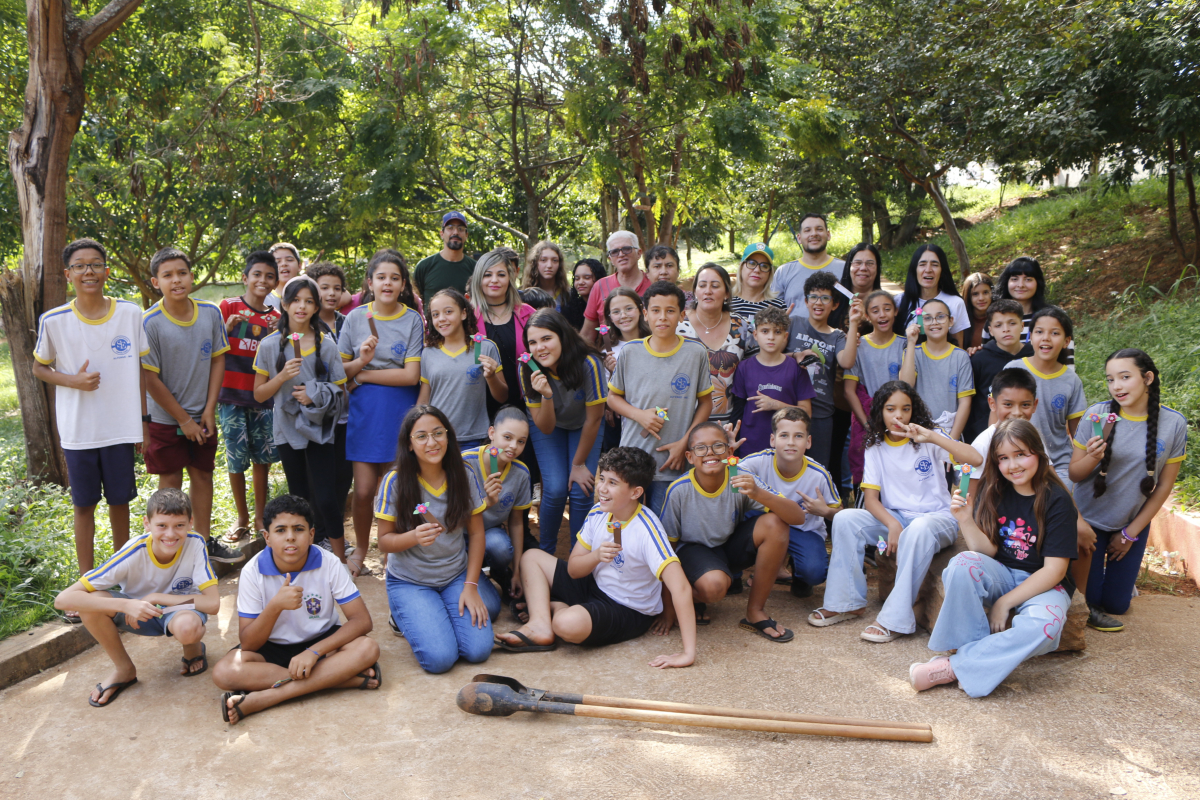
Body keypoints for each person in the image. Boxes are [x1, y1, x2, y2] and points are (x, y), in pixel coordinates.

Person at [912, 419, 1077, 696]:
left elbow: (1055, 571)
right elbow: (987, 551)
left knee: (1046, 627)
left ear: (1038, 453)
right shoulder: (996, 491)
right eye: (1003, 458)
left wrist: (1005, 603)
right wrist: (965, 519)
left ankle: (955, 666)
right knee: (961, 564)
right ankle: (970, 658)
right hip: (1002, 573)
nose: (1013, 465)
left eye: (1020, 454)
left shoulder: (1058, 500)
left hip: (1045, 585)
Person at [809, 381, 982, 642]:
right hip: (897, 517)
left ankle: (896, 619)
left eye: (905, 409)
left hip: (936, 519)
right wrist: (892, 524)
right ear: (881, 411)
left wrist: (931, 436)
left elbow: (976, 459)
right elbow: (871, 500)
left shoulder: (929, 436)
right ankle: (846, 602)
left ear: (914, 411)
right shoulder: (875, 445)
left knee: (919, 528)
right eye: (891, 409)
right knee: (845, 519)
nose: (899, 416)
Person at [495, 447, 698, 668]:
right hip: (594, 585)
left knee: (566, 624)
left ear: (635, 492)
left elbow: (681, 588)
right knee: (531, 557)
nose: (602, 488)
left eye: (613, 483)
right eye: (602, 478)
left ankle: (555, 608)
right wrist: (596, 556)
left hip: (627, 608)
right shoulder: (598, 512)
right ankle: (540, 624)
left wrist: (688, 653)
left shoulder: (647, 530)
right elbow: (574, 570)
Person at [33, 238, 147, 588]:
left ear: (106, 271)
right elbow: (39, 368)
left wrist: (142, 422)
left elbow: (141, 369)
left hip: (120, 427)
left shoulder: (130, 314)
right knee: (83, 505)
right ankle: (87, 583)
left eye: (96, 264)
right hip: (79, 431)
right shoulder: (54, 320)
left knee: (120, 502)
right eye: (80, 266)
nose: (89, 271)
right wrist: (73, 381)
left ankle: (121, 578)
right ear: (68, 274)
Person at [212, 494, 380, 724]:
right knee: (224, 672)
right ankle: (339, 679)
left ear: (311, 535)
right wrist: (275, 606)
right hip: (272, 648)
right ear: (267, 537)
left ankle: (268, 698)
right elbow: (249, 643)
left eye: (299, 529)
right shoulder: (252, 571)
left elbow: (362, 621)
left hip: (322, 643)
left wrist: (314, 652)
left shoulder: (329, 562)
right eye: (280, 530)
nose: (290, 537)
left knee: (367, 648)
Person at [54, 489, 218, 707]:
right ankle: (124, 670)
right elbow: (62, 600)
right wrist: (126, 604)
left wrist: (156, 597)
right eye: (162, 525)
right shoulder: (133, 551)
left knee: (188, 629)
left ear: (190, 523)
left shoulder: (195, 543)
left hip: (180, 610)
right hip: (137, 614)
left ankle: (193, 648)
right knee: (91, 603)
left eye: (179, 525)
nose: (170, 534)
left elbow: (213, 604)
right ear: (147, 524)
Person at [375, 406, 499, 673]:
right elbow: (383, 541)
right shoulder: (394, 481)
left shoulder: (464, 473)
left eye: (437, 433)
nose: (431, 442)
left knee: (479, 650)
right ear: (409, 444)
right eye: (421, 436)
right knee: (440, 659)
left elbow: (477, 533)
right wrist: (413, 537)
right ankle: (403, 613)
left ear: (448, 435)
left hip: (454, 575)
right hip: (410, 580)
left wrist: (470, 586)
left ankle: (441, 607)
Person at [1070, 349, 1187, 633]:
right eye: (1110, 379)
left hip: (1130, 522)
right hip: (1088, 522)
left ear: (1148, 378)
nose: (1117, 386)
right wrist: (1093, 458)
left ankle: (1116, 579)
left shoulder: (1174, 423)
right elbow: (1074, 474)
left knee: (1117, 605)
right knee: (1089, 601)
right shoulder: (1097, 415)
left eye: (1125, 377)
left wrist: (1130, 533)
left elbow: (1164, 485)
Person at [657, 422, 803, 640]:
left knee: (775, 523)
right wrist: (668, 605)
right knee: (714, 587)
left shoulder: (739, 477)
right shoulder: (679, 490)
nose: (710, 453)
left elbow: (797, 517)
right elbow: (668, 548)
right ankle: (689, 597)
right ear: (690, 457)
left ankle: (755, 611)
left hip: (727, 545)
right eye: (701, 448)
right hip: (693, 551)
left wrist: (758, 493)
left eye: (718, 446)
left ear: (729, 452)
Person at [141, 248, 241, 563]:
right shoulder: (149, 322)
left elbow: (218, 359)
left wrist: (209, 409)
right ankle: (167, 550)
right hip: (165, 419)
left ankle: (203, 542)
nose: (176, 280)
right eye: (167, 275)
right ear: (156, 282)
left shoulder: (210, 313)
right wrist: (183, 420)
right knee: (170, 483)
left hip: (203, 415)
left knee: (203, 475)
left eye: (182, 273)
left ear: (192, 276)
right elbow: (150, 378)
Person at [339, 249, 424, 576]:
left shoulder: (412, 319)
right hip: (364, 412)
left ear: (403, 284)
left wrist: (363, 375)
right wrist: (360, 361)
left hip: (401, 411)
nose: (387, 283)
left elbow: (411, 376)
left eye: (395, 278)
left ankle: (393, 551)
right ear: (370, 282)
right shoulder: (355, 318)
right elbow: (340, 371)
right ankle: (361, 549)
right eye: (381, 277)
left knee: (398, 488)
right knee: (362, 491)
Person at [253, 276, 349, 561]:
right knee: (299, 497)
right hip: (286, 430)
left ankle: (341, 565)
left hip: (319, 430)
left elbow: (341, 392)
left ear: (317, 307)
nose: (302, 307)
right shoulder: (269, 346)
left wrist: (314, 394)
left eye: (309, 301)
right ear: (284, 304)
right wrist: (282, 376)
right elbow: (259, 394)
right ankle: (305, 561)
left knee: (327, 498)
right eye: (295, 300)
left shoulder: (326, 345)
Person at [606, 281, 714, 515]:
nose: (662, 317)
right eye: (655, 310)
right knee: (628, 522)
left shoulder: (695, 353)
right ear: (645, 314)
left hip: (672, 460)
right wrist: (640, 416)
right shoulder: (630, 351)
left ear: (682, 315)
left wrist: (685, 443)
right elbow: (612, 398)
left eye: (670, 310)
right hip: (633, 459)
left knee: (664, 525)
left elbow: (706, 403)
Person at [521, 309, 608, 552]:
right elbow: (545, 427)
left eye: (546, 338)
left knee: (582, 489)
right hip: (549, 424)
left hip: (585, 423)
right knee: (556, 488)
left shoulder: (588, 363)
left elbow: (595, 418)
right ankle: (546, 553)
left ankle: (579, 556)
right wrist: (546, 395)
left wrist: (578, 465)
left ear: (563, 336)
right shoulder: (527, 367)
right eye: (533, 342)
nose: (540, 347)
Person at [738, 408, 842, 599]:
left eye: (798, 436)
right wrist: (728, 456)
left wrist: (825, 511)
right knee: (738, 515)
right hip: (765, 525)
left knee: (814, 572)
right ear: (773, 439)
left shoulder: (819, 475)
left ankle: (800, 574)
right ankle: (735, 572)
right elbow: (731, 482)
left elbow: (840, 513)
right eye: (784, 435)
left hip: (803, 530)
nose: (791, 442)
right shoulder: (757, 462)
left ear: (808, 442)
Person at [217, 251, 281, 544]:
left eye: (269, 276)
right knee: (235, 460)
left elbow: (280, 360)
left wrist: (278, 336)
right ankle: (241, 518)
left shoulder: (277, 318)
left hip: (263, 398)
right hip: (231, 396)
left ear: (275, 283)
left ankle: (259, 517)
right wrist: (226, 329)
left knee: (262, 459)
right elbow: (211, 347)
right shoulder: (228, 307)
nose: (262, 280)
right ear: (245, 277)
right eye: (257, 274)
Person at [461, 407, 533, 614]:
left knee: (501, 546)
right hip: (457, 536)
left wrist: (516, 571)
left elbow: (517, 523)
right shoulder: (465, 462)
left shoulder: (521, 473)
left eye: (521, 441)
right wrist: (486, 502)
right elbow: (449, 514)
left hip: (489, 535)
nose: (513, 446)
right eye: (507, 437)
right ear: (492, 433)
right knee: (490, 610)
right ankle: (469, 574)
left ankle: (500, 573)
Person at [783, 271, 857, 470]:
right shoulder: (793, 323)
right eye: (814, 297)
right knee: (785, 466)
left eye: (825, 298)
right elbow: (770, 356)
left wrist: (854, 322)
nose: (818, 302)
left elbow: (847, 361)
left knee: (816, 469)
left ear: (835, 304)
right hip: (787, 406)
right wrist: (795, 355)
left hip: (821, 413)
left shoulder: (837, 336)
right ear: (806, 301)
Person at [418, 288, 508, 452]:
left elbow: (502, 396)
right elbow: (424, 400)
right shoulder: (428, 353)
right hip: (437, 437)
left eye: (448, 311)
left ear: (464, 313)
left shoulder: (485, 347)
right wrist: (417, 431)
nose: (442, 318)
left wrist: (491, 377)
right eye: (435, 314)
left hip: (474, 438)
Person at [306, 261, 355, 556]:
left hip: (349, 415)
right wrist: (358, 367)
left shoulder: (349, 322)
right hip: (319, 417)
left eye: (337, 288)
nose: (332, 293)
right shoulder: (307, 327)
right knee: (318, 483)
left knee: (342, 478)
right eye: (325, 288)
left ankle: (334, 535)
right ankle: (320, 535)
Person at [1004, 307, 1085, 484]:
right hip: (1016, 461)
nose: (1046, 338)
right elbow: (997, 417)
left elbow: (1078, 432)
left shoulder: (1071, 380)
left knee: (1063, 498)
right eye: (1039, 332)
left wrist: (1083, 463)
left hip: (1060, 464)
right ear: (1030, 337)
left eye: (1054, 333)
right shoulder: (1013, 369)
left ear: (1066, 341)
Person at [728, 306, 815, 456]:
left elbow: (807, 412)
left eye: (777, 332)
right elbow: (738, 410)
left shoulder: (796, 368)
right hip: (749, 446)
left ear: (785, 336)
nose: (771, 337)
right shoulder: (744, 367)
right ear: (755, 335)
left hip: (787, 448)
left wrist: (776, 405)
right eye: (765, 331)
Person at [844, 290, 906, 486]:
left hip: (899, 421)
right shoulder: (858, 346)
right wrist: (867, 425)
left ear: (895, 311)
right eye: (875, 310)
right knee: (869, 477)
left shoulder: (905, 345)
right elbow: (849, 390)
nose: (882, 315)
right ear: (867, 316)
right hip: (868, 419)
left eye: (887, 309)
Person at [678, 263, 751, 423]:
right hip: (684, 421)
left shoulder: (742, 326)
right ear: (695, 291)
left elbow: (759, 363)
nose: (708, 291)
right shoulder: (678, 324)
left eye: (715, 286)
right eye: (702, 285)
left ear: (727, 293)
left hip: (727, 423)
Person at [470, 247, 537, 420]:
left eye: (501, 274)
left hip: (527, 401)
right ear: (478, 278)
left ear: (510, 278)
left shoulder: (528, 313)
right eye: (487, 275)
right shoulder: (467, 318)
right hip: (480, 407)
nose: (494, 280)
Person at [898, 297, 974, 441]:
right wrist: (911, 342)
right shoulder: (912, 352)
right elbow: (906, 386)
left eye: (940, 316)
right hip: (918, 431)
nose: (934, 322)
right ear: (920, 323)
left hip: (950, 432)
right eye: (927, 318)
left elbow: (965, 403)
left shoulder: (961, 356)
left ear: (951, 321)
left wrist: (951, 442)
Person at [965, 300, 1031, 442]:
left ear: (1022, 326)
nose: (1006, 329)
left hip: (1028, 432)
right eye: (998, 325)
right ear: (990, 330)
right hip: (986, 434)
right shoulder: (979, 359)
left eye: (1012, 323)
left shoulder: (1034, 356)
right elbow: (969, 399)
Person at [995, 256, 1075, 367]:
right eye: (1014, 279)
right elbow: (987, 356)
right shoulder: (995, 318)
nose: (1020, 285)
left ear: (1038, 282)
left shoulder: (1055, 317)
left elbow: (1067, 361)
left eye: (1028, 279)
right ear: (1006, 282)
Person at [599, 287, 651, 452]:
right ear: (610, 317)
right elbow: (608, 394)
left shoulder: (655, 342)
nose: (623, 315)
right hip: (623, 422)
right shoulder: (608, 352)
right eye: (616, 312)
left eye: (629, 308)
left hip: (655, 413)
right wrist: (612, 373)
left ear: (641, 309)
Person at [891, 244, 971, 348]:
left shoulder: (955, 303)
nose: (928, 269)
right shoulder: (899, 301)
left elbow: (958, 348)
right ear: (915, 269)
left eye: (935, 265)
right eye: (922, 264)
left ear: (942, 270)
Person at [581, 231, 650, 345]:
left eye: (627, 249)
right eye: (615, 252)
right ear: (610, 259)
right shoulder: (599, 286)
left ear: (639, 253)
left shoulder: (653, 284)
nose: (621, 254)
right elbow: (588, 334)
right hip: (611, 353)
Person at [771, 213, 845, 315]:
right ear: (799, 238)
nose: (814, 234)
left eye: (819, 229)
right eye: (807, 230)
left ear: (828, 235)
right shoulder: (784, 272)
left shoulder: (845, 269)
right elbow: (773, 312)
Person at [413, 211, 476, 301]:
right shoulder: (424, 266)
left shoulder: (476, 268)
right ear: (442, 234)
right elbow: (415, 302)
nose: (456, 232)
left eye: (460, 229)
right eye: (450, 228)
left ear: (466, 235)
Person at [829, 243, 883, 330]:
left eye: (870, 263)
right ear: (849, 266)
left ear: (877, 268)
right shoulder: (833, 300)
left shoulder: (886, 303)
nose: (863, 268)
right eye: (858, 263)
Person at [730, 243, 786, 323]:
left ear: (770, 273)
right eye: (752, 263)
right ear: (741, 267)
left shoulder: (779, 307)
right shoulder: (725, 303)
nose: (757, 270)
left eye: (764, 266)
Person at [522, 240, 570, 311]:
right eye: (543, 260)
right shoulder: (524, 295)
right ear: (535, 263)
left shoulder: (568, 295)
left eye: (554, 260)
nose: (549, 265)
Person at [643, 244, 694, 308]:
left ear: (678, 270)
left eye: (669, 266)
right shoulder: (640, 305)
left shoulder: (692, 302)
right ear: (647, 273)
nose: (663, 272)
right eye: (657, 266)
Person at [562, 257, 606, 330]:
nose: (580, 282)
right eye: (577, 278)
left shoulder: (608, 304)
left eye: (587, 277)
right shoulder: (569, 309)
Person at [960, 272, 994, 350]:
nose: (981, 298)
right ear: (968, 296)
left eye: (985, 292)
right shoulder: (960, 320)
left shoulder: (1002, 316)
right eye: (975, 294)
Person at [264, 242, 302, 311]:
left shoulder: (309, 296)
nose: (284, 264)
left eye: (289, 260)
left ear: (299, 266)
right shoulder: (263, 299)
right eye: (277, 261)